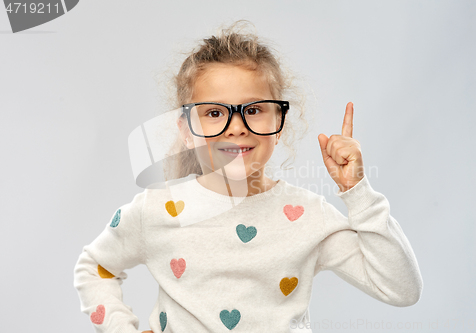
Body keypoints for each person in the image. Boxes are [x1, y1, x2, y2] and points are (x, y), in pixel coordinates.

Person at [74, 21, 423, 333]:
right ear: (187, 131)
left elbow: (401, 289)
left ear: (278, 123)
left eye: (254, 110)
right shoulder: (155, 210)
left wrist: (358, 193)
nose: (237, 128)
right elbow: (94, 267)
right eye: (214, 113)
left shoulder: (307, 216)